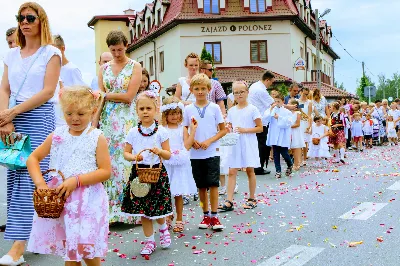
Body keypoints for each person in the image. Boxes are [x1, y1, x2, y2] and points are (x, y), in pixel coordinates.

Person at [0, 2, 61, 265]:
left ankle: (18, 246)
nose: (24, 22)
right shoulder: (12, 55)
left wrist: (12, 113)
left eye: (29, 17)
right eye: (20, 18)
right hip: (12, 118)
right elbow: (4, 88)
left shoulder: (51, 53)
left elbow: (48, 91)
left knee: (30, 177)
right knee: (15, 176)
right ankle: (30, 235)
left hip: (38, 116)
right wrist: (4, 119)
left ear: (41, 21)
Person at [27, 86, 111, 265]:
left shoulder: (96, 137)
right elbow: (33, 158)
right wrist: (41, 184)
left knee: (85, 252)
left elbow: (105, 171)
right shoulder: (57, 135)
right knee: (71, 250)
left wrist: (77, 180)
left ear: (93, 111)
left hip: (87, 201)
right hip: (62, 201)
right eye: (69, 113)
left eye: (81, 114)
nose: (74, 118)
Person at [94, 30, 142, 225]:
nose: (116, 53)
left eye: (120, 49)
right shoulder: (104, 69)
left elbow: (129, 96)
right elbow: (99, 99)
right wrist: (95, 122)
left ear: (126, 46)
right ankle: (110, 211)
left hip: (126, 120)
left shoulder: (134, 66)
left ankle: (129, 209)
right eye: (113, 50)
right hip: (107, 120)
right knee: (109, 164)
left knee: (126, 163)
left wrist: (105, 95)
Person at [121, 91, 173, 256]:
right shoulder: (133, 132)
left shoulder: (161, 131)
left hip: (156, 173)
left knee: (157, 210)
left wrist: (159, 151)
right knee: (144, 211)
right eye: (141, 108)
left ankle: (163, 229)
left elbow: (168, 154)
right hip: (140, 174)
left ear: (155, 109)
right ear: (137, 110)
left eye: (148, 108)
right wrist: (135, 156)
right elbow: (126, 153)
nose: (145, 111)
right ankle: (149, 240)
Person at [183, 73, 226, 230]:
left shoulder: (214, 108)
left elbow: (223, 130)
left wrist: (209, 141)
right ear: (191, 90)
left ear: (209, 89)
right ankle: (205, 214)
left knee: (213, 185)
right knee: (201, 186)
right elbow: (185, 130)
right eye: (196, 89)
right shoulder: (187, 109)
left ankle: (215, 216)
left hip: (212, 152)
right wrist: (191, 141)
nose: (200, 91)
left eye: (203, 88)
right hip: (195, 154)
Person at [218, 81, 262, 212]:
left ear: (247, 92)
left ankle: (252, 198)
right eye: (236, 92)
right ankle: (229, 200)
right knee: (232, 170)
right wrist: (228, 128)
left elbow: (260, 128)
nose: (239, 94)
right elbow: (230, 126)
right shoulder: (231, 111)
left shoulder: (253, 109)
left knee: (249, 170)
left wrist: (245, 130)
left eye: (242, 91)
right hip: (235, 143)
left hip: (248, 141)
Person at [161, 96, 197, 233]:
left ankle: (180, 218)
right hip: (166, 161)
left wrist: (193, 131)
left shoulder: (182, 129)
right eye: (171, 113)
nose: (175, 116)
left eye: (177, 113)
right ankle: (168, 215)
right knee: (166, 192)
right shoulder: (162, 129)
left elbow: (187, 145)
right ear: (165, 114)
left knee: (178, 193)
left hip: (179, 162)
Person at [248, 71, 275, 175]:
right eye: (271, 82)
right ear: (267, 80)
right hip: (262, 120)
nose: (271, 84)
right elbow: (273, 103)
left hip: (254, 119)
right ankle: (259, 167)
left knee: (256, 144)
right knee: (263, 144)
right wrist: (289, 107)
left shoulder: (254, 86)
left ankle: (255, 166)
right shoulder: (261, 90)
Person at [263, 93, 294, 178]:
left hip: (283, 134)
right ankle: (278, 171)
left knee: (284, 153)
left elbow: (289, 122)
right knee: (276, 153)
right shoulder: (272, 110)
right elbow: (265, 118)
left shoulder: (287, 112)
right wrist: (270, 109)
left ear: (283, 101)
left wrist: (279, 118)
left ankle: (290, 164)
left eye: (278, 101)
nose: (276, 103)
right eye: (275, 101)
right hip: (274, 134)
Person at [298, 87, 312, 166]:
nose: (305, 95)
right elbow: (298, 112)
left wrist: (309, 125)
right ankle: (299, 159)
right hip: (299, 122)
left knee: (305, 142)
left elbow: (309, 115)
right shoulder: (298, 102)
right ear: (301, 92)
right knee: (299, 141)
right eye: (304, 93)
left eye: (307, 94)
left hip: (306, 122)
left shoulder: (309, 102)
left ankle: (304, 159)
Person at [289, 99, 305, 171]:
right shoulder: (288, 113)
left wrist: (289, 126)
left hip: (295, 131)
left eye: (289, 103)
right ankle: (294, 163)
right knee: (291, 148)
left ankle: (297, 163)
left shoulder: (297, 113)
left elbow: (297, 124)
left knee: (296, 147)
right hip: (290, 131)